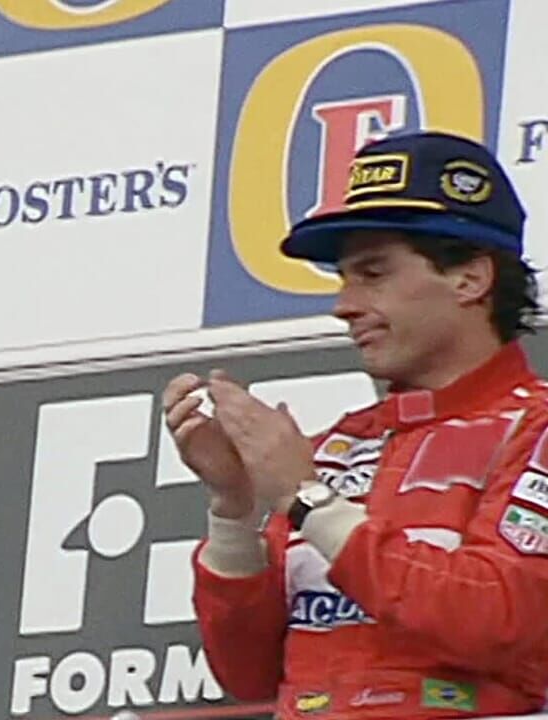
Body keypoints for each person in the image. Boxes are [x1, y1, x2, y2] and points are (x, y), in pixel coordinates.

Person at [165, 131, 548, 719]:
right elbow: (249, 673)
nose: (343, 305)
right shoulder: (340, 447)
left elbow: (500, 619)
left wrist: (310, 501)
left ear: (469, 279)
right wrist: (234, 510)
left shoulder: (535, 426)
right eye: (343, 278)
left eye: (372, 274)